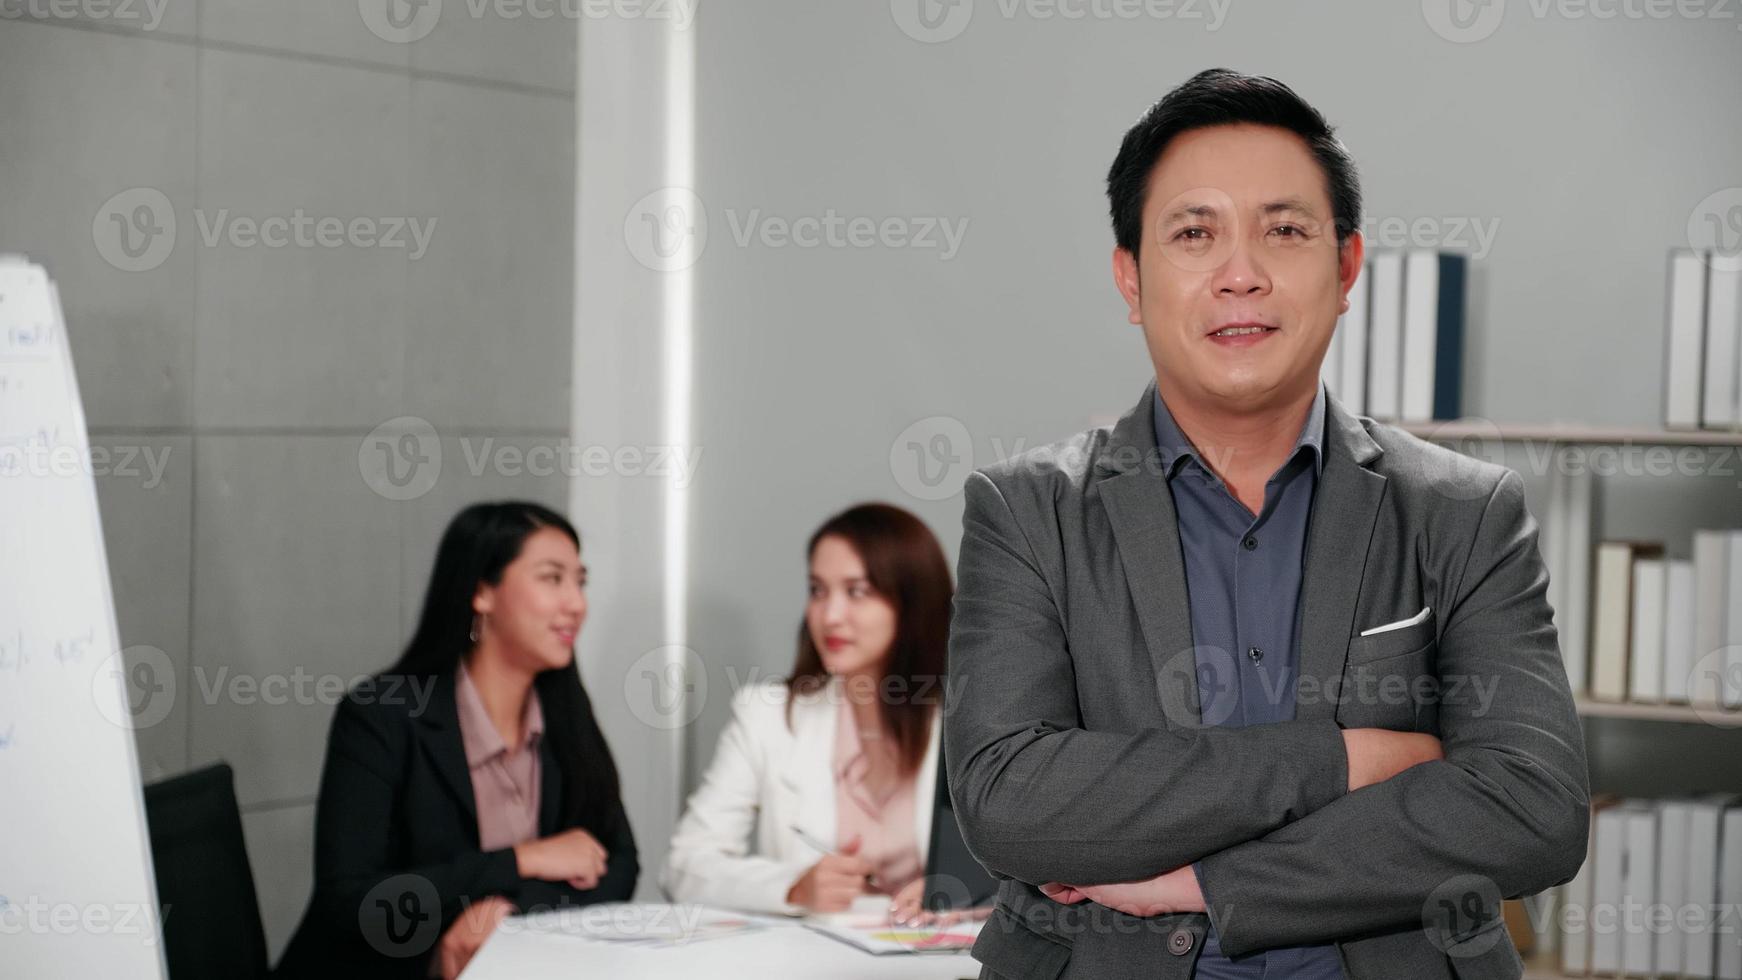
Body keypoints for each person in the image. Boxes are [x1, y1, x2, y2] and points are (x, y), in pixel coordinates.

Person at [945, 69, 1590, 979]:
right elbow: (1009, 796)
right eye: (1194, 234)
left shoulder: (1463, 512)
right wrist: (1340, 759)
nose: (1240, 274)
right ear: (1131, 278)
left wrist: (1210, 883)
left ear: (1345, 270)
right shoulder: (1026, 511)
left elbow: (1534, 809)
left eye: (1284, 231)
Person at [276, 501, 638, 979]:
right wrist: (521, 861)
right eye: (552, 579)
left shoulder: (565, 710)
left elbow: (618, 865)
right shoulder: (382, 714)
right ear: (481, 592)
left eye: (580, 581)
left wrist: (506, 914)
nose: (577, 603)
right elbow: (350, 901)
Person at [663, 502, 983, 924]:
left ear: (913, 604)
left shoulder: (972, 717)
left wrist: (968, 891)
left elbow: (1040, 869)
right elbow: (684, 865)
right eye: (817, 590)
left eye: (857, 591)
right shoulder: (768, 716)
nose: (829, 616)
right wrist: (794, 886)